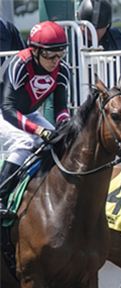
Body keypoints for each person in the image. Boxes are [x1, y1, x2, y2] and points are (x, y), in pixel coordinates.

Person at [0, 21, 70, 219]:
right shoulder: (19, 65)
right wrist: (38, 131)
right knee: (26, 142)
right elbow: (8, 109)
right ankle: (1, 196)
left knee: (64, 142)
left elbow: (61, 108)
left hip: (29, 114)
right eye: (50, 54)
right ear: (35, 51)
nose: (56, 60)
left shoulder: (62, 70)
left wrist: (64, 125)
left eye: (61, 53)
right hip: (4, 114)